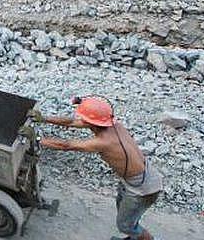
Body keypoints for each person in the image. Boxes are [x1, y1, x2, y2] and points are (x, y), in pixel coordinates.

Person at [33, 97, 163, 240]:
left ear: (92, 122)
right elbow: (71, 122)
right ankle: (134, 237)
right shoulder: (114, 124)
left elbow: (67, 145)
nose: (80, 120)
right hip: (143, 177)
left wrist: (37, 139)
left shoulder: (102, 142)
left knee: (125, 225)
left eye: (84, 118)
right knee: (128, 216)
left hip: (142, 188)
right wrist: (43, 118)